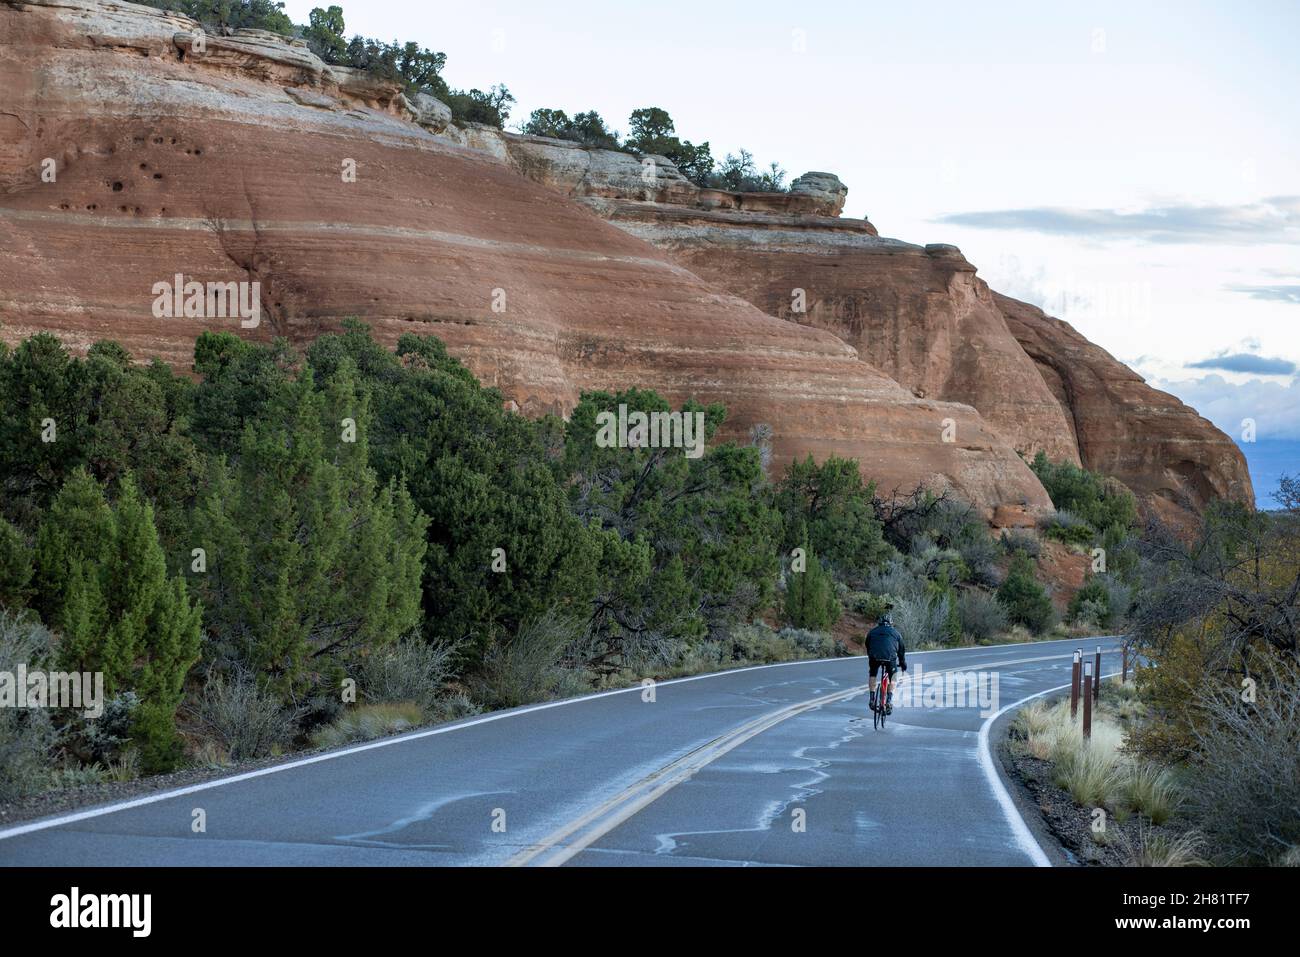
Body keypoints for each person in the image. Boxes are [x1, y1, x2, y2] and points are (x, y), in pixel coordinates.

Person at [866, 612, 907, 714]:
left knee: (873, 674)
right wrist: (902, 663)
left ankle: (872, 698)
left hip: (874, 657)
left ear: (879, 623)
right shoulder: (896, 633)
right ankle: (888, 701)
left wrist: (871, 656)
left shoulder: (872, 631)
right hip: (890, 658)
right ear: (891, 623)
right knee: (893, 678)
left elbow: (867, 644)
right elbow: (901, 650)